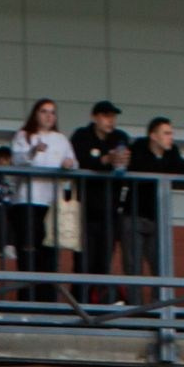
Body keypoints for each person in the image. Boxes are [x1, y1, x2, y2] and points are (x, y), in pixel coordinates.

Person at [8, 99, 75, 302]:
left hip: (51, 202)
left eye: (52, 112)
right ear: (35, 114)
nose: (48, 116)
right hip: (27, 200)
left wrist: (68, 164)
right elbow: (16, 160)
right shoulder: (23, 135)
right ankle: (27, 299)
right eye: (44, 111)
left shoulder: (61, 139)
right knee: (28, 250)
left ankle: (47, 300)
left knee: (49, 251)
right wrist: (32, 151)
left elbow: (72, 164)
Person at [121, 116, 184, 302]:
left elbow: (182, 169)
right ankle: (135, 310)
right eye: (166, 133)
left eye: (171, 133)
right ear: (153, 136)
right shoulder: (138, 148)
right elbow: (139, 168)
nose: (171, 137)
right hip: (134, 216)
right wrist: (163, 168)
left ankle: (159, 311)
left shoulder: (172, 151)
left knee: (161, 267)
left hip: (158, 217)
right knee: (133, 268)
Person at [69, 100, 130, 302]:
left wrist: (123, 159)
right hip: (84, 210)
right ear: (95, 117)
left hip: (110, 210)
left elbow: (128, 160)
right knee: (83, 262)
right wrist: (104, 160)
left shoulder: (120, 138)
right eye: (105, 116)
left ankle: (98, 306)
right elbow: (80, 160)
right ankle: (80, 305)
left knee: (104, 262)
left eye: (112, 116)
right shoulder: (82, 136)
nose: (110, 121)